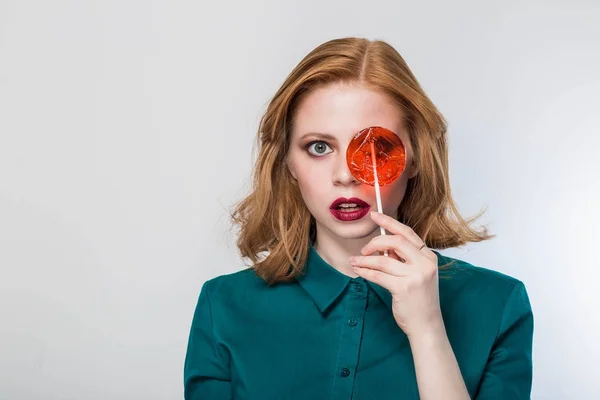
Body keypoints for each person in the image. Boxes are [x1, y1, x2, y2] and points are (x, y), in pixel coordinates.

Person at [183, 37, 534, 399]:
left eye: (374, 148)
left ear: (415, 158)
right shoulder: (223, 306)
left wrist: (428, 330)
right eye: (319, 147)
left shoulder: (498, 304)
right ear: (288, 163)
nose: (346, 175)